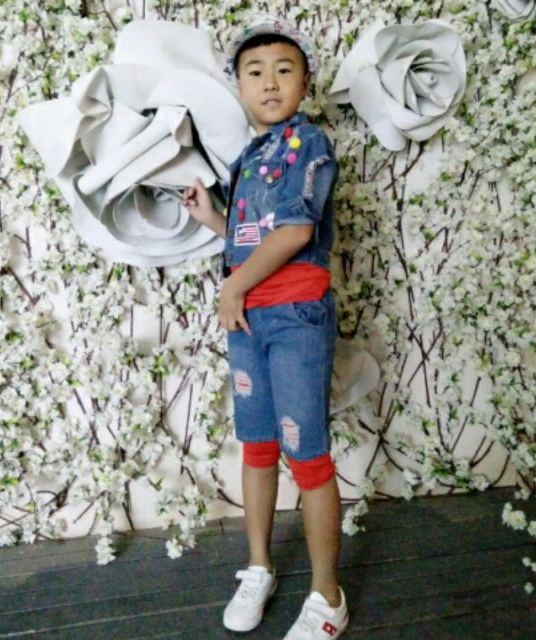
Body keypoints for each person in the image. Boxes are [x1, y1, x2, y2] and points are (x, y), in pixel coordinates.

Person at [182, 14, 348, 640]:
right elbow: (249, 236)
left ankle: (328, 597)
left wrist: (232, 286)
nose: (270, 82)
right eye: (255, 72)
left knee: (307, 455)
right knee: (256, 445)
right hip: (248, 319)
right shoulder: (249, 157)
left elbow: (296, 231)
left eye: (284, 70)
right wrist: (213, 218)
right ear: (240, 86)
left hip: (294, 316)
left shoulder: (309, 143)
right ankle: (259, 568)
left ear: (305, 83)